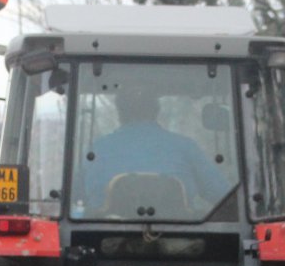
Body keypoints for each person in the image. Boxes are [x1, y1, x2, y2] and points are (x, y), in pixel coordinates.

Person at [80, 89, 229, 216]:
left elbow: (72, 195)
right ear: (156, 111)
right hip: (182, 244)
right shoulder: (185, 147)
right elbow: (225, 197)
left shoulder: (97, 149)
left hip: (105, 243)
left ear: (120, 113)